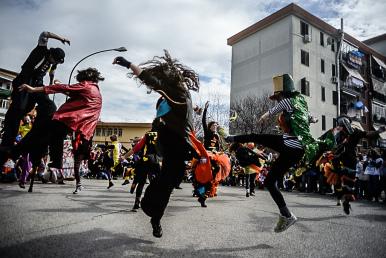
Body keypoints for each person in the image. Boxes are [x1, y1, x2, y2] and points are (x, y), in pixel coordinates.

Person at [113, 50, 200, 238]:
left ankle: (155, 217)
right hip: (170, 141)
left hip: (181, 144)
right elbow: (149, 79)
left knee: (169, 184)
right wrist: (129, 64)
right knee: (166, 181)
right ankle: (150, 206)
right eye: (181, 80)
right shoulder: (172, 94)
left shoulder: (184, 96)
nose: (185, 83)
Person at [226, 74, 317, 233]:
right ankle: (286, 215)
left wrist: (265, 115)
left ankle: (232, 138)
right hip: (296, 150)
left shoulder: (288, 101)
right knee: (269, 182)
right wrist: (313, 119)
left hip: (290, 144)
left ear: (284, 93)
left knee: (256, 137)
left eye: (278, 96)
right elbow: (308, 118)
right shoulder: (301, 104)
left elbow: (276, 109)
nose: (277, 99)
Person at [18, 67, 103, 193]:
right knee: (63, 144)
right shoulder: (95, 90)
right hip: (85, 128)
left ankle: (46, 158)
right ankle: (56, 162)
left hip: (74, 121)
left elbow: (65, 89)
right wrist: (61, 87)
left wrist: (33, 89)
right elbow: (70, 92)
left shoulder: (86, 86)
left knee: (48, 131)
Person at [0, 31, 70, 165]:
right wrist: (60, 38)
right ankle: (8, 142)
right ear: (51, 54)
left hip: (37, 85)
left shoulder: (53, 63)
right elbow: (45, 33)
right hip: (24, 81)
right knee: (19, 110)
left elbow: (52, 72)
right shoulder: (41, 50)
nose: (53, 63)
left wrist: (52, 83)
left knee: (49, 106)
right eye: (54, 60)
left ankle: (39, 133)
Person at [126, 120, 161, 212]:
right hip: (155, 160)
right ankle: (153, 203)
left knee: (141, 182)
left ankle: (136, 203)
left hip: (145, 159)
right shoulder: (162, 135)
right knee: (155, 182)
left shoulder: (148, 134)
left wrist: (124, 156)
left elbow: (137, 147)